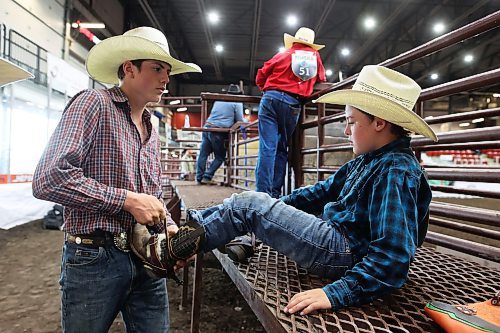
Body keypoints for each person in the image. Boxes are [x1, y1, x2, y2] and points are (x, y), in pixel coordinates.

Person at [131, 65, 439, 315]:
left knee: (248, 206)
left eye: (351, 122)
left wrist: (335, 292)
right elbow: (321, 192)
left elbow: (393, 258)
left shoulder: (396, 171)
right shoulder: (372, 160)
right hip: (337, 240)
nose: (346, 131)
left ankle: (169, 251)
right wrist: (272, 207)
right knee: (252, 205)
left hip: (344, 253)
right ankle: (181, 244)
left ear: (380, 123)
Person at [32, 26, 201, 332]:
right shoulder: (93, 104)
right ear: (128, 69)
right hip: (93, 258)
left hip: (146, 259)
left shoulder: (152, 131)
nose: (166, 79)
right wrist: (126, 200)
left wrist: (168, 228)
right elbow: (49, 177)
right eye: (157, 68)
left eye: (168, 71)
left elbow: (151, 196)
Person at [255, 27, 326, 198]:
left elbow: (261, 74)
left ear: (294, 40)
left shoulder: (284, 54)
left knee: (267, 147)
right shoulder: (314, 57)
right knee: (281, 149)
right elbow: (321, 79)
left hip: (270, 99)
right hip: (292, 104)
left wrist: (266, 89)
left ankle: (261, 194)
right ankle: (274, 194)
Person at [196, 84, 244, 185]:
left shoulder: (219, 99)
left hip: (207, 127)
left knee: (203, 154)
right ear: (238, 94)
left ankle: (199, 177)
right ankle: (207, 176)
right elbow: (240, 120)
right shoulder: (237, 102)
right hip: (219, 131)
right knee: (220, 157)